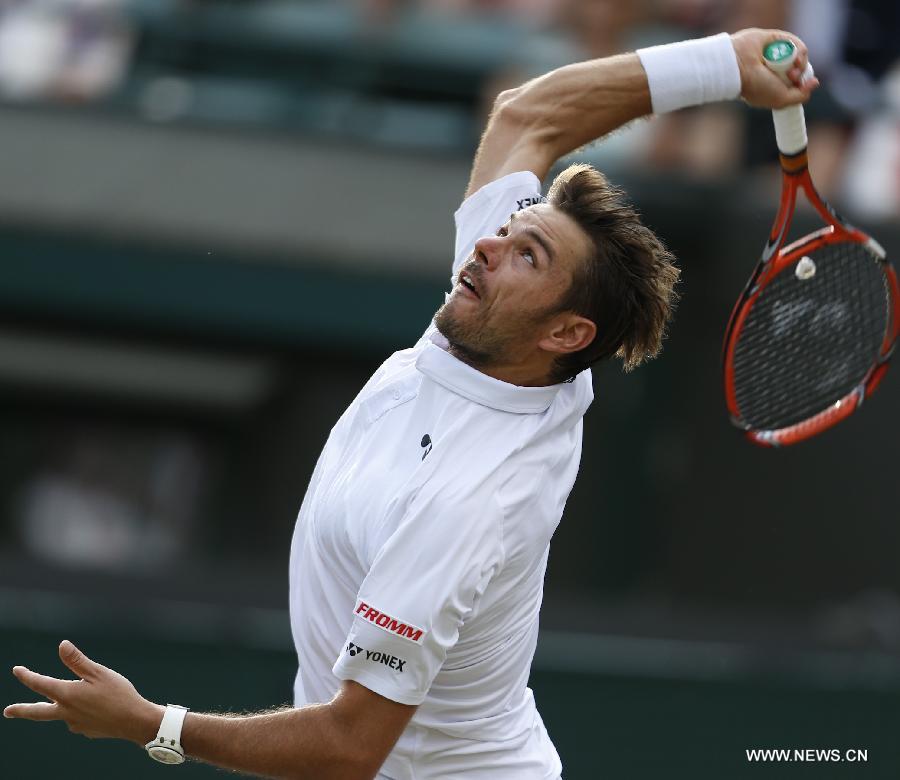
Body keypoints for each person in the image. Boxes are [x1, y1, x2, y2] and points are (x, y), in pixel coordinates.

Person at [4, 27, 817, 780]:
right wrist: (723, 62)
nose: (489, 243)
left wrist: (157, 725)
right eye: (509, 230)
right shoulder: (508, 325)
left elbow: (350, 745)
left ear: (567, 331)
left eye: (525, 251)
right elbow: (528, 118)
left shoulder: (467, 502)